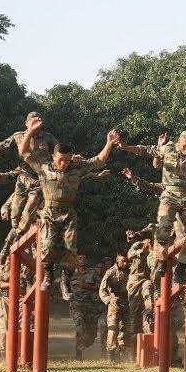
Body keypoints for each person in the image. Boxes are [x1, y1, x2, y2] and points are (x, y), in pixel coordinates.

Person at [19, 115, 120, 300]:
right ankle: (48, 274)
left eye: (67, 160)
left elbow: (99, 160)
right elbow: (24, 151)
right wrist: (31, 131)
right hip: (49, 211)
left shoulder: (77, 167)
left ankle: (65, 279)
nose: (64, 164)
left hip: (68, 213)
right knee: (48, 244)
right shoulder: (43, 166)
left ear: (71, 158)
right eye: (60, 160)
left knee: (70, 247)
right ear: (53, 156)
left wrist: (109, 143)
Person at [117, 131, 186, 283]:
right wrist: (125, 147)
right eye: (185, 146)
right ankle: (161, 261)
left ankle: (181, 266)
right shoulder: (168, 148)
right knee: (163, 228)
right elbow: (146, 150)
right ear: (179, 143)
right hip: (170, 194)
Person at [0, 112, 58, 267]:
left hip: (39, 180)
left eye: (40, 120)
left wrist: (72, 158)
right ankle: (14, 237)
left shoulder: (48, 138)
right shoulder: (19, 136)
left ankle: (15, 240)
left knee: (28, 214)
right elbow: (3, 145)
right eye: (34, 120)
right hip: (23, 177)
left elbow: (60, 153)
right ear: (27, 123)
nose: (38, 122)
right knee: (15, 215)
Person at [70, 254, 103, 361]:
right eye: (80, 258)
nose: (82, 260)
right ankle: (78, 356)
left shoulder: (92, 273)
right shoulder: (71, 273)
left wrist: (88, 287)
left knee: (91, 335)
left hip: (90, 306)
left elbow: (100, 286)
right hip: (77, 305)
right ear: (76, 261)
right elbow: (64, 284)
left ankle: (85, 344)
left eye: (84, 258)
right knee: (79, 326)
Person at [99, 251, 130, 362]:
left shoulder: (130, 271)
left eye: (127, 261)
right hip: (115, 304)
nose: (125, 263)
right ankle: (110, 356)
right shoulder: (110, 272)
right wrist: (108, 299)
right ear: (117, 260)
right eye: (123, 261)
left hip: (127, 303)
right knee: (112, 329)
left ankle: (122, 355)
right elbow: (102, 290)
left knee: (125, 330)